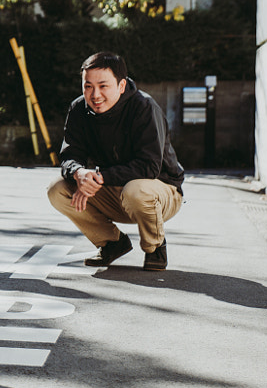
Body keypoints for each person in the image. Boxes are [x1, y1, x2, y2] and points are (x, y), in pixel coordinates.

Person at [46, 51, 184, 271]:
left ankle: (155, 245)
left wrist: (100, 177)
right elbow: (69, 154)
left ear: (121, 86)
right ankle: (112, 243)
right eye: (88, 86)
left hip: (160, 191)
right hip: (113, 189)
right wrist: (79, 174)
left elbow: (149, 167)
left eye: (103, 86)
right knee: (57, 189)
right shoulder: (79, 109)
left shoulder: (144, 108)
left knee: (136, 190)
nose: (95, 94)